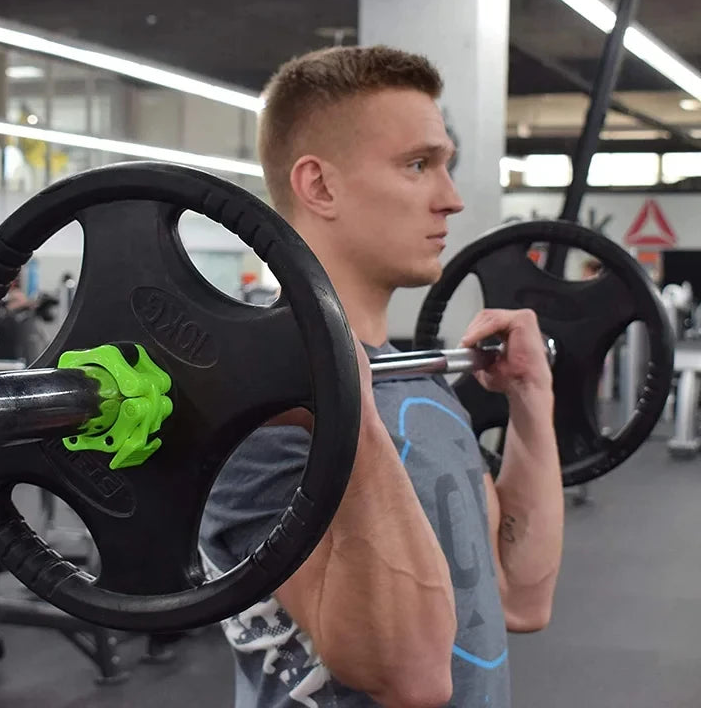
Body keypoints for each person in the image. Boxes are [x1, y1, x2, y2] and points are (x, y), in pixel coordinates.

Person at [200, 46, 562, 708]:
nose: (451, 200)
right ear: (320, 186)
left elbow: (521, 597)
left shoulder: (419, 383)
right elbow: (411, 677)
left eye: (445, 167)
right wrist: (340, 388)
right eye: (418, 166)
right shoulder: (271, 416)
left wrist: (532, 403)